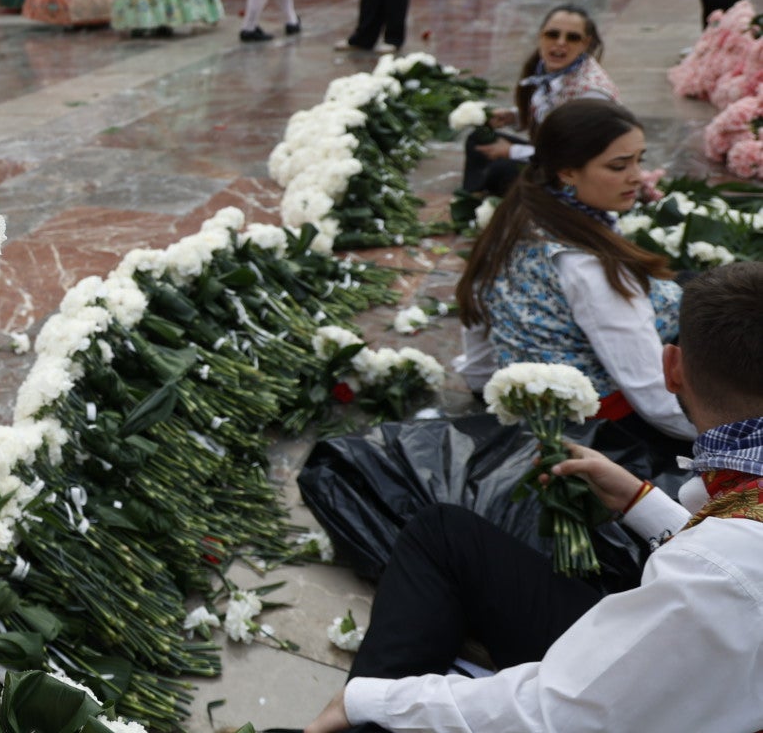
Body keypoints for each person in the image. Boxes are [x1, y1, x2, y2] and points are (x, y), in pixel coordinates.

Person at [306, 261, 763, 733]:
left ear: (671, 367)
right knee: (444, 533)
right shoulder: (727, 549)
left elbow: (556, 714)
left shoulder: (714, 571)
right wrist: (638, 500)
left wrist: (367, 700)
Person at [456, 99, 695, 451]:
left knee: (696, 286)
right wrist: (721, 440)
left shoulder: (519, 215)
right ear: (567, 172)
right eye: (618, 165)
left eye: (638, 160)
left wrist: (481, 386)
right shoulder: (590, 267)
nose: (636, 176)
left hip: (541, 403)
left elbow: (478, 322)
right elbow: (649, 392)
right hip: (605, 429)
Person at [463, 5, 619, 197]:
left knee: (502, 171)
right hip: (549, 155)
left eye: (572, 37)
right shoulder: (550, 68)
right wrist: (514, 117)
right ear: (540, 36)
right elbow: (549, 109)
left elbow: (572, 155)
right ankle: (471, 201)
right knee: (479, 140)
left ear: (585, 44)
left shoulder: (591, 93)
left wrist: (512, 151)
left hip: (576, 175)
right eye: (552, 35)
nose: (560, 43)